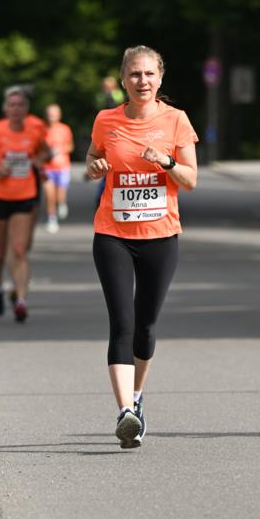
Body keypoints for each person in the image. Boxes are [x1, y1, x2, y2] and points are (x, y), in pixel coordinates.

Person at [84, 45, 198, 448]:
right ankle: (124, 413)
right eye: (134, 74)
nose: (142, 81)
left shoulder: (176, 121)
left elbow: (190, 179)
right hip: (112, 233)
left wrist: (165, 162)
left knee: (145, 326)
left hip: (161, 236)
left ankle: (136, 395)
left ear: (160, 79)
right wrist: (94, 166)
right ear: (123, 80)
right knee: (122, 323)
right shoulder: (106, 120)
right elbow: (93, 159)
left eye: (149, 74)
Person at [0, 87, 49, 322]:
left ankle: (21, 300)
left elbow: (45, 152)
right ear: (6, 108)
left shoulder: (35, 130)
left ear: (26, 109)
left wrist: (38, 161)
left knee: (19, 249)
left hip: (25, 195)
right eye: (12, 105)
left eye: (21, 105)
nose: (16, 109)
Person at [93, 76, 125, 207]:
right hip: (105, 127)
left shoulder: (118, 94)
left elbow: (119, 104)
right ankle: (101, 198)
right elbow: (99, 108)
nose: (108, 89)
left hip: (118, 126)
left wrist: (110, 95)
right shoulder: (100, 96)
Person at [43, 104, 75, 232]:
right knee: (49, 194)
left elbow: (71, 146)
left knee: (59, 195)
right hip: (47, 167)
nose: (52, 115)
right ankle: (52, 218)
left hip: (62, 167)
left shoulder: (65, 129)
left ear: (59, 115)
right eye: (50, 113)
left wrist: (61, 149)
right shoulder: (41, 129)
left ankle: (61, 203)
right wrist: (47, 153)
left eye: (54, 113)